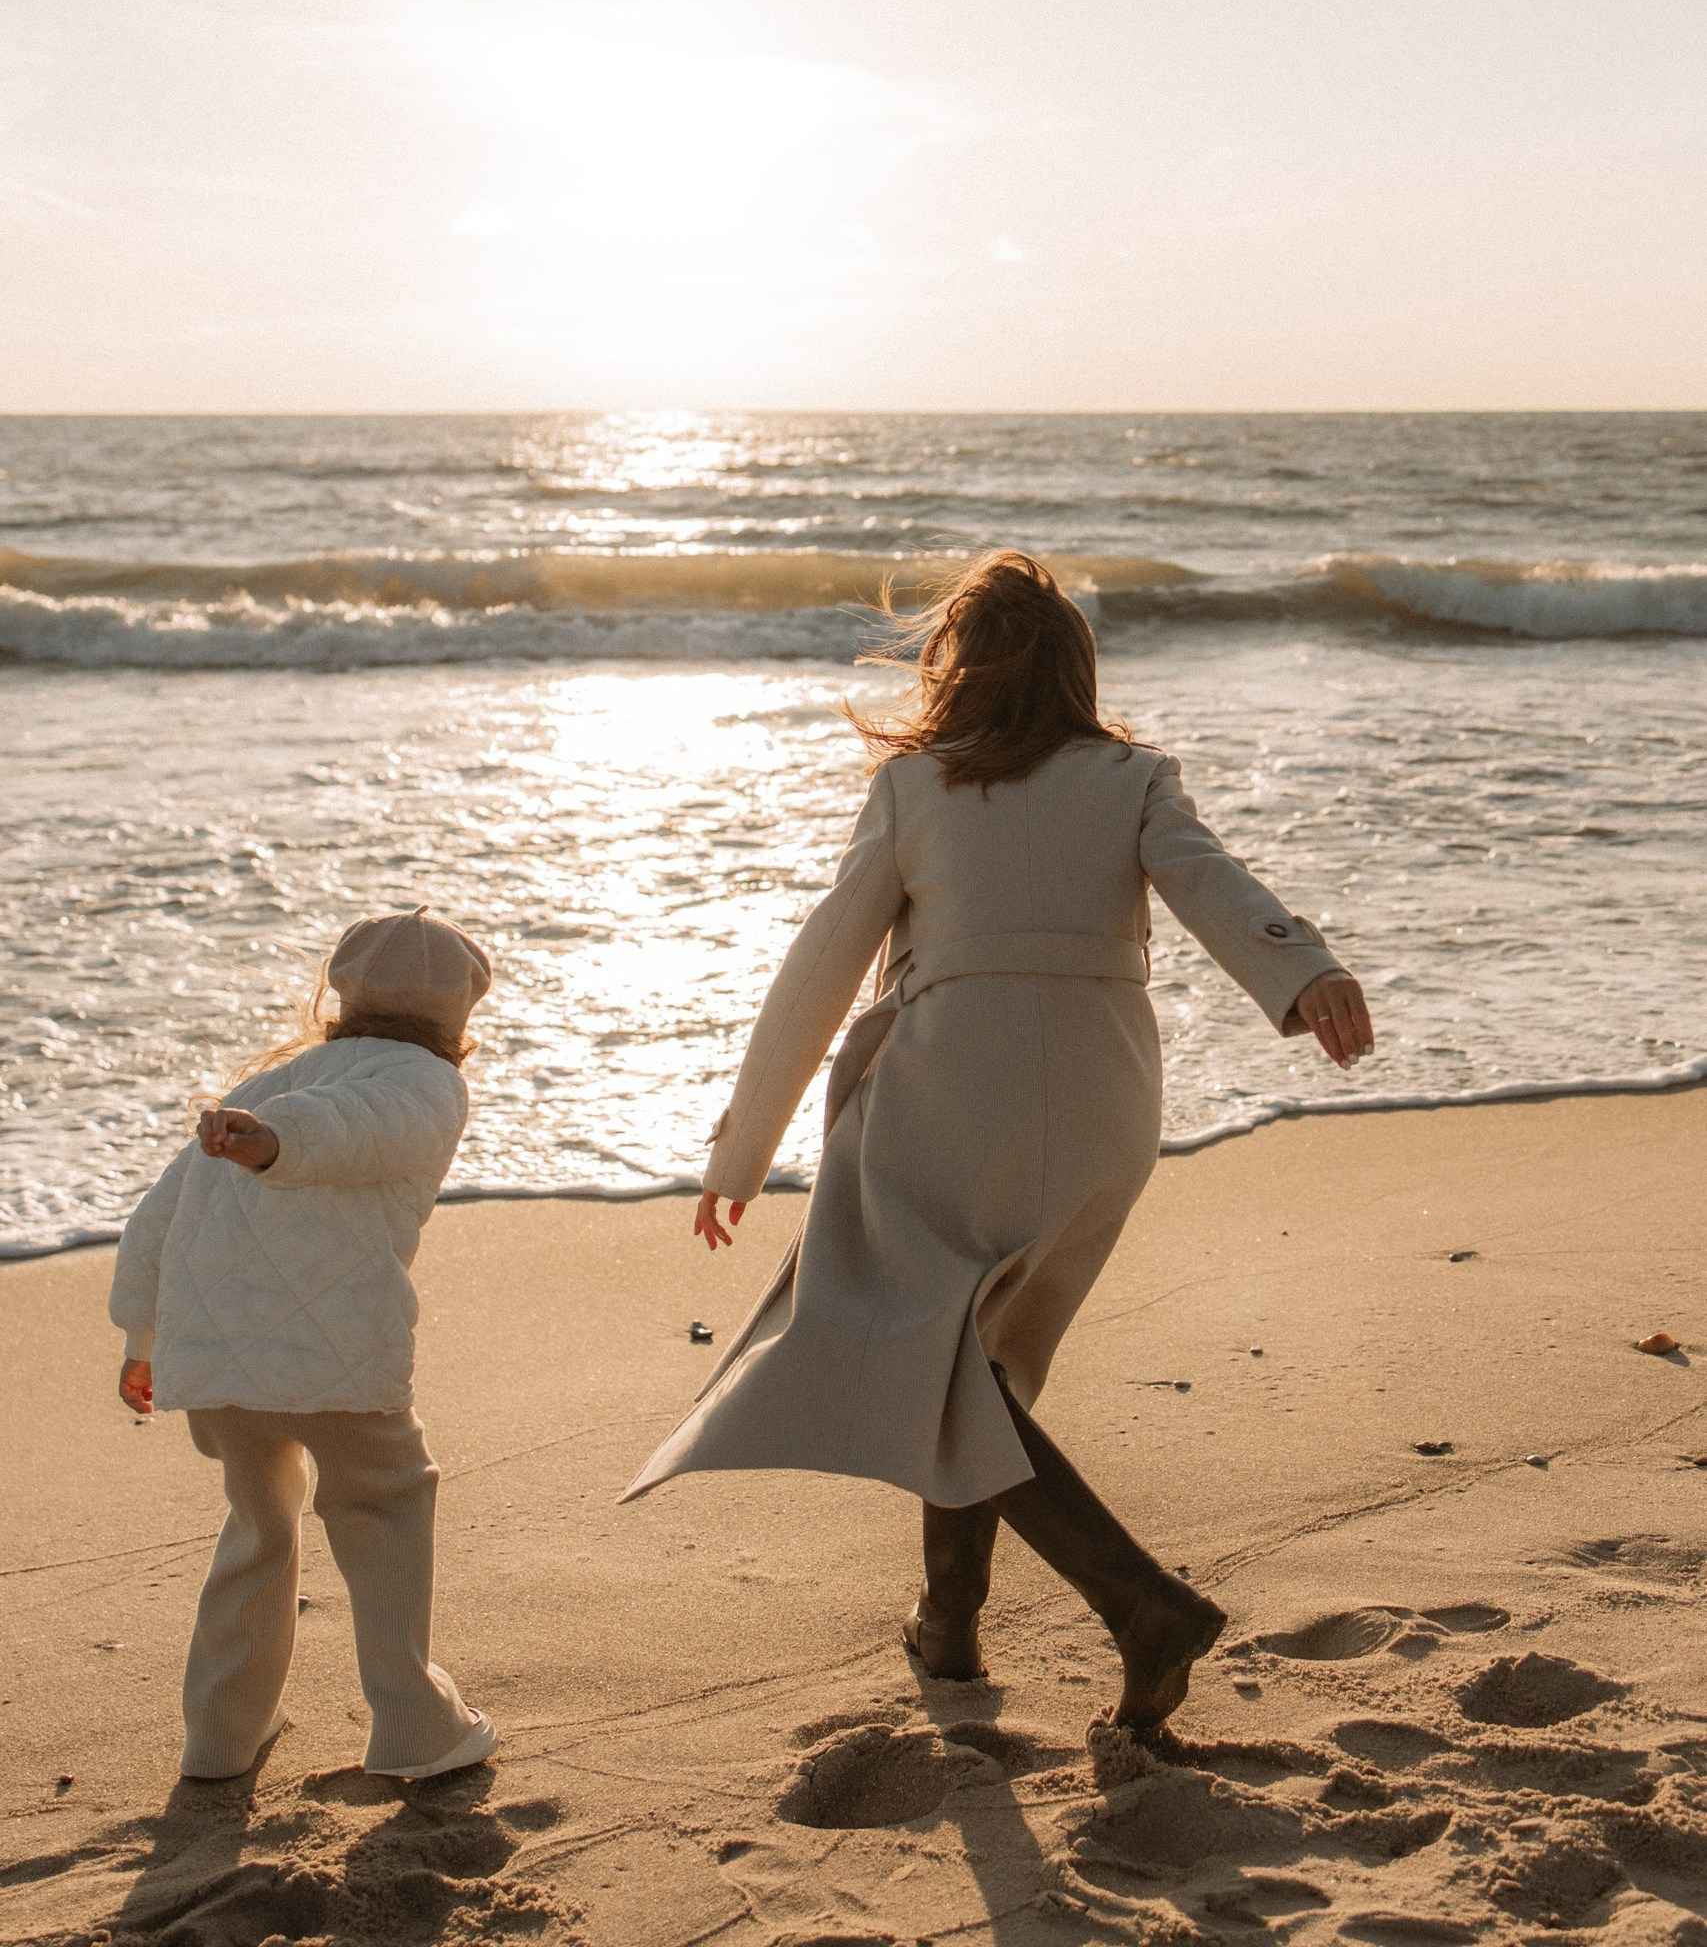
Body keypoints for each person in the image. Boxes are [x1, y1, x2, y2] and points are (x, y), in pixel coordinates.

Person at [625, 552, 1375, 1735]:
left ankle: (1140, 1604)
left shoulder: (914, 790)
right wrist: (1306, 969)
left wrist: (740, 1148)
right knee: (979, 1368)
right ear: (1078, 671)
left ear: (954, 672)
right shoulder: (1133, 777)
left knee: (937, 1358)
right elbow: (1212, 882)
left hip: (947, 1097)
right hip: (1103, 1106)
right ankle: (950, 1627)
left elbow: (819, 969)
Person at [109, 905, 498, 1783]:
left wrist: (144, 1335)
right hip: (338, 1366)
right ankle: (414, 1725)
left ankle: (221, 1735)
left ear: (340, 994)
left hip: (214, 1366)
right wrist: (279, 1143)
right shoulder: (423, 1083)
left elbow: (156, 1223)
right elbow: (360, 1126)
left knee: (257, 1529)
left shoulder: (270, 1083)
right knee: (385, 1507)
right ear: (460, 1014)